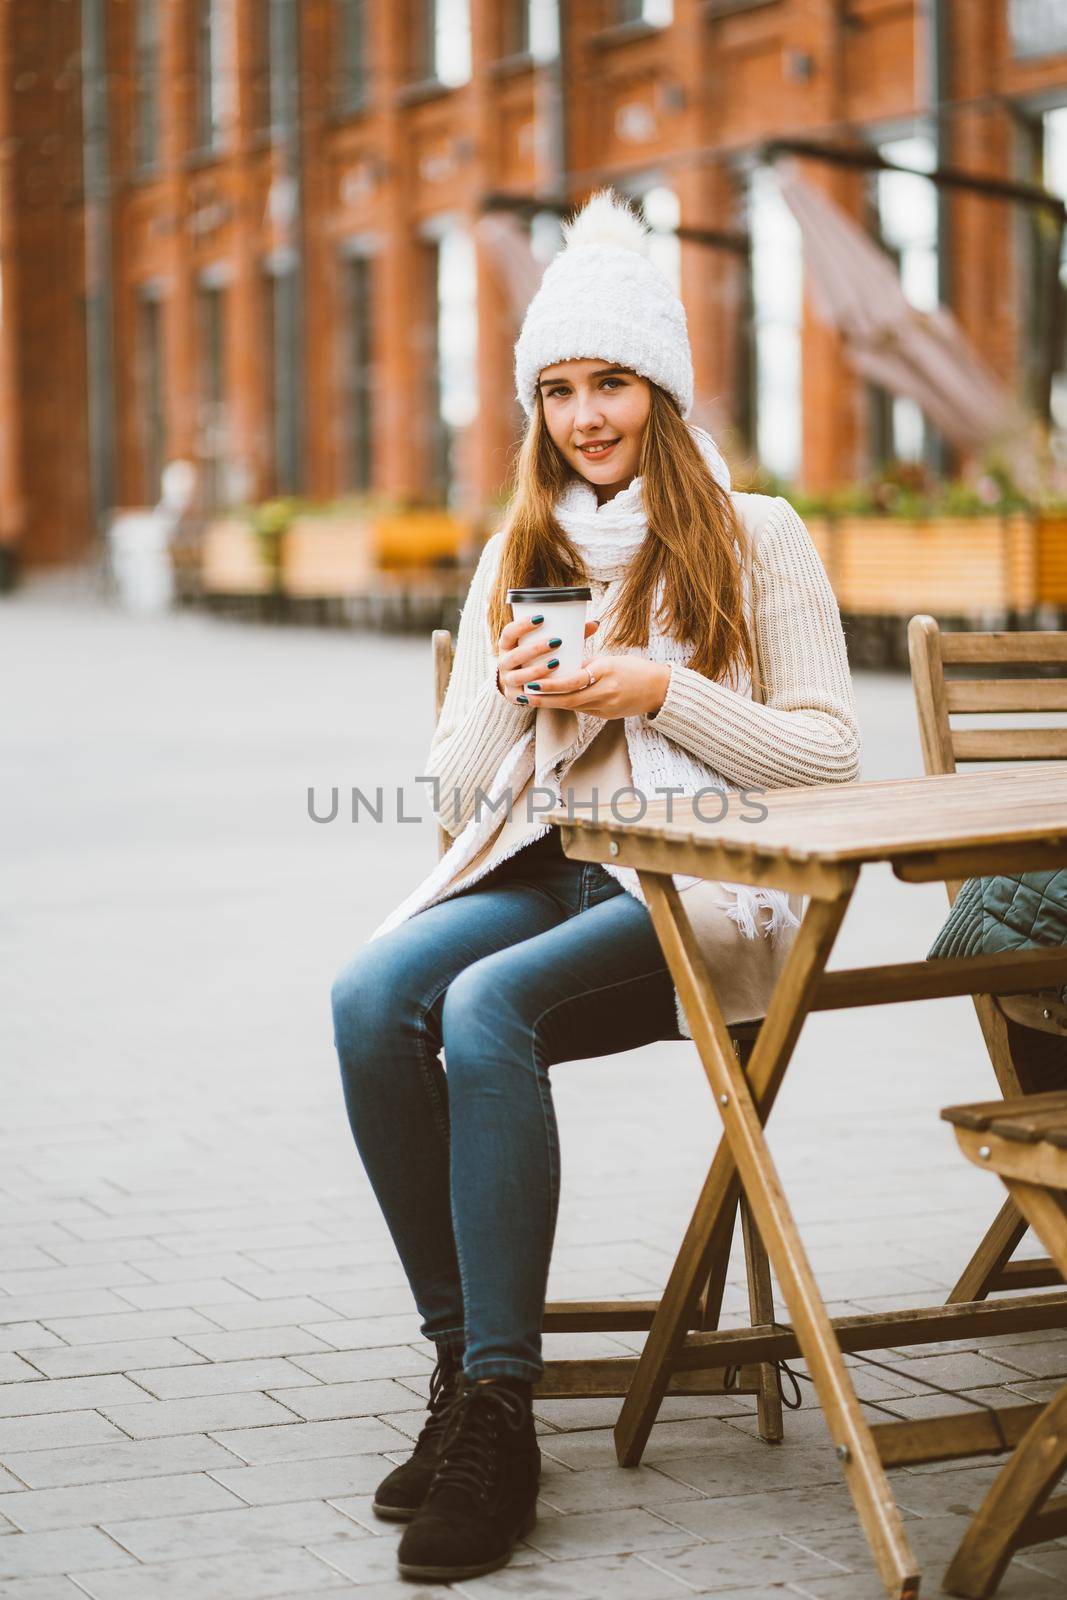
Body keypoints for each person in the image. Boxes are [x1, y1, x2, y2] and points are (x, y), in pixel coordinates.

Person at [330, 189, 860, 1584]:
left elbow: (826, 757)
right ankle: (462, 1374)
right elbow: (454, 805)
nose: (585, 417)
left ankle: (504, 1412)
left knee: (487, 1010)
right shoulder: (524, 550)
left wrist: (662, 690)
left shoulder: (760, 535)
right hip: (553, 871)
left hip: (704, 891)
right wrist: (508, 691)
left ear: (661, 390)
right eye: (557, 390)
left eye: (610, 382)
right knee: (371, 992)